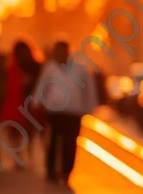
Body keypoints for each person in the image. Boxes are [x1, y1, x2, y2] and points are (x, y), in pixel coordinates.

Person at [34, 40, 97, 185]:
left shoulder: (80, 69)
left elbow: (88, 89)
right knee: (53, 142)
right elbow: (42, 86)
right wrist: (37, 102)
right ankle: (51, 172)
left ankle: (66, 172)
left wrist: (90, 108)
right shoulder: (50, 68)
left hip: (73, 112)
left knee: (70, 144)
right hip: (54, 112)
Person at [0, 39, 43, 171]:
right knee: (14, 132)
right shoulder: (12, 67)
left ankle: (29, 157)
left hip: (30, 103)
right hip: (15, 103)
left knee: (30, 133)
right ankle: (19, 158)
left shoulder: (35, 67)